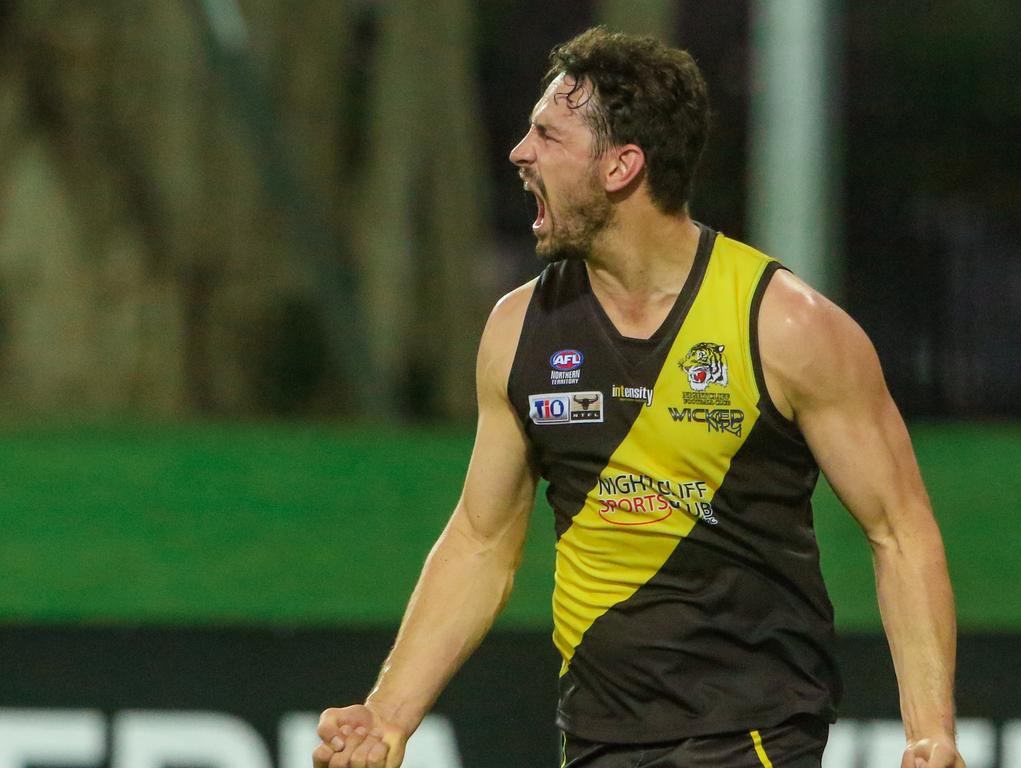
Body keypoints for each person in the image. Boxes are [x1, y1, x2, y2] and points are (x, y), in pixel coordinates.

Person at [313, 27, 964, 768]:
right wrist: (389, 716)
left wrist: (930, 734)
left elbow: (900, 531)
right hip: (595, 741)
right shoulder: (518, 329)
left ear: (622, 166)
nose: (519, 153)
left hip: (750, 739)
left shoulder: (783, 327)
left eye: (547, 134)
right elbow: (482, 540)